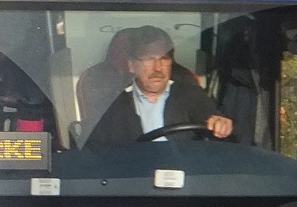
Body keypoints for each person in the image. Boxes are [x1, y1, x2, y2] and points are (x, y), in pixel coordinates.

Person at [85, 26, 232, 146]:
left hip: (184, 175)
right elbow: (94, 153)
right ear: (131, 65)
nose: (158, 68)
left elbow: (214, 119)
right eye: (149, 59)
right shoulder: (112, 104)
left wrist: (221, 124)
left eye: (164, 59)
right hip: (135, 177)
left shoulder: (190, 93)